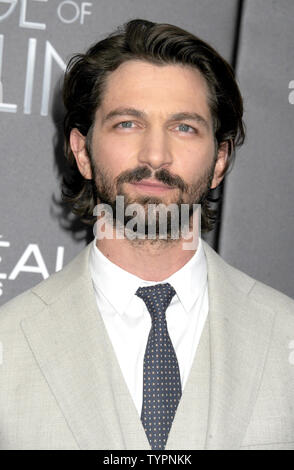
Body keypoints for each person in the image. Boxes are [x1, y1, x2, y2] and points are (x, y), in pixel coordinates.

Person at [0, 18, 293, 451]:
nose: (155, 155)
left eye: (184, 127)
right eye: (128, 124)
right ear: (82, 152)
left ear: (219, 161)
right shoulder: (8, 345)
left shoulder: (286, 334)